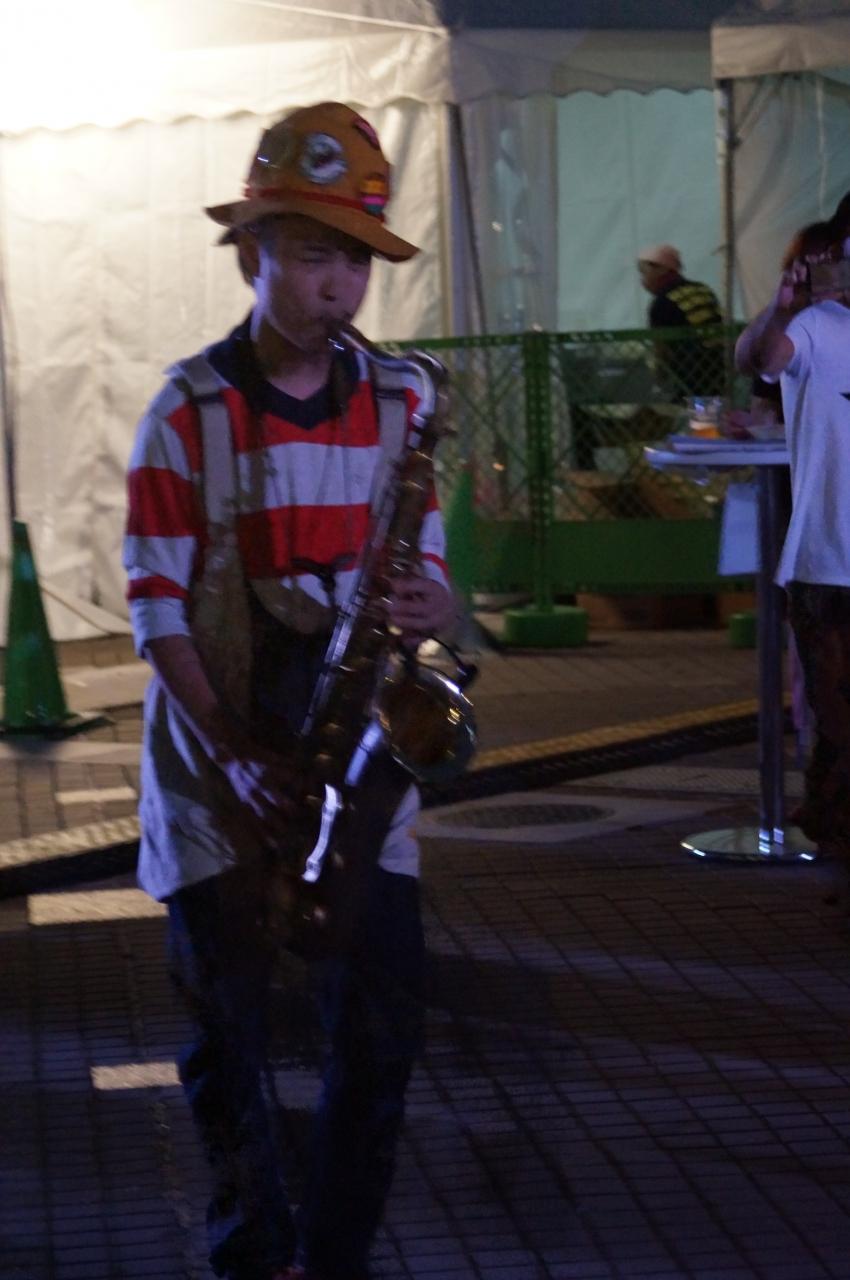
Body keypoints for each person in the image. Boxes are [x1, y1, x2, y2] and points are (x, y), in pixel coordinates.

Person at [123, 101, 456, 1280]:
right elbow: (156, 606)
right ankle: (250, 1255)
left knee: (384, 1030)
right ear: (251, 253)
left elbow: (431, 571)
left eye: (357, 260)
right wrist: (232, 747)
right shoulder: (185, 410)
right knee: (230, 1047)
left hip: (351, 768)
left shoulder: (403, 398)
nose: (341, 286)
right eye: (315, 254)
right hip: (219, 774)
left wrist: (434, 603)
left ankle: (337, 1254)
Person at [735, 215, 850, 875]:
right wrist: (784, 306)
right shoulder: (813, 326)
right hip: (827, 562)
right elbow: (761, 359)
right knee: (838, 725)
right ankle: (833, 845)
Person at [637, 243, 724, 398]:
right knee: (712, 408)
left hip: (690, 374)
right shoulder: (702, 289)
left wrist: (659, 377)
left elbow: (661, 349)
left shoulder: (662, 302)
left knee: (696, 410)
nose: (642, 280)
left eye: (644, 272)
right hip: (721, 366)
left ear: (662, 270)